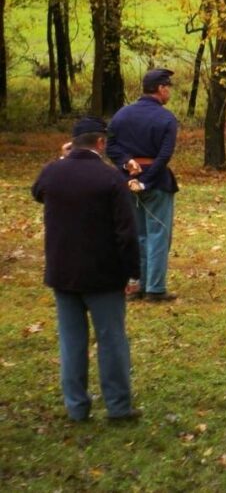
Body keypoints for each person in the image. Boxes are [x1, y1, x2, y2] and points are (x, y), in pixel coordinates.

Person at [31, 117, 142, 422]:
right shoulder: (110, 179)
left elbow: (37, 191)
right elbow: (126, 233)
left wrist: (62, 158)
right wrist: (133, 273)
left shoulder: (52, 173)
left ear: (73, 142)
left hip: (62, 271)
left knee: (71, 342)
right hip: (103, 274)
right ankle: (118, 407)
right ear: (101, 143)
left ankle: (77, 407)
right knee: (112, 340)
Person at [107, 68, 179, 301]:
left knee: (136, 234)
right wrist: (145, 182)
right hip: (155, 182)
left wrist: (128, 164)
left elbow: (112, 147)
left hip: (126, 181)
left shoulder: (121, 115)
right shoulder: (166, 118)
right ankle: (155, 288)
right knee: (158, 234)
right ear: (160, 89)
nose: (169, 92)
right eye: (167, 87)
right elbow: (164, 156)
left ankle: (136, 284)